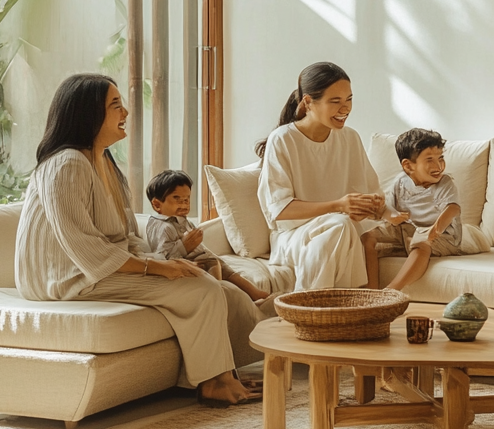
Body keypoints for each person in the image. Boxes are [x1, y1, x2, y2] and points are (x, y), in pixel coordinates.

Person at [15, 74, 264, 407]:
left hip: (97, 269)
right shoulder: (66, 164)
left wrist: (165, 262)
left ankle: (224, 375)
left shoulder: (103, 162)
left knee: (222, 288)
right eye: (116, 105)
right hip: (67, 277)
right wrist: (155, 268)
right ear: (88, 114)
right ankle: (212, 383)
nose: (126, 113)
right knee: (201, 289)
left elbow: (126, 236)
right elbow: (84, 247)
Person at [256, 62, 386, 291]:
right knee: (340, 224)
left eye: (349, 99)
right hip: (294, 237)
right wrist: (339, 205)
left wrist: (373, 206)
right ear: (308, 102)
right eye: (335, 101)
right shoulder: (283, 139)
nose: (345, 108)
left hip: (340, 233)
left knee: (342, 226)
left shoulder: (350, 138)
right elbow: (280, 210)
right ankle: (325, 307)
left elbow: (369, 197)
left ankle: (309, 307)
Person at [145, 169, 270, 304]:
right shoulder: (163, 227)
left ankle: (254, 293)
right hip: (185, 266)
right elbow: (162, 259)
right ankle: (218, 295)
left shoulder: (184, 221)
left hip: (199, 260)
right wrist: (184, 247)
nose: (184, 204)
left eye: (187, 199)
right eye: (177, 199)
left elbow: (199, 248)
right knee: (213, 264)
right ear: (157, 204)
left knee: (221, 265)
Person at [377, 128, 465, 292]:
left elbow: (452, 208)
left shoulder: (444, 183)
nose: (438, 165)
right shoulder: (400, 182)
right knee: (368, 237)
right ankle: (370, 290)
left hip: (444, 237)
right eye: (430, 160)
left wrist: (435, 230)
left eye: (441, 158)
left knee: (421, 243)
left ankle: (391, 291)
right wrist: (392, 216)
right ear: (408, 166)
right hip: (410, 231)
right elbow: (388, 207)